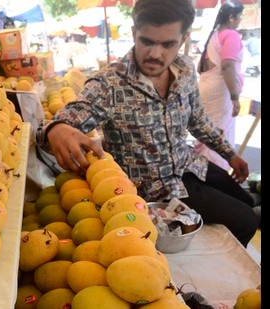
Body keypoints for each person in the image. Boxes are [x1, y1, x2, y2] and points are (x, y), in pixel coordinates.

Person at [35, 0, 258, 247]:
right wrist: (57, 129)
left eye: (167, 44)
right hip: (156, 191)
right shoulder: (110, 84)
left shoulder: (184, 69)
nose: (155, 54)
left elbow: (197, 119)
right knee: (246, 220)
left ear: (183, 39)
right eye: (147, 41)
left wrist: (229, 154)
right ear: (134, 33)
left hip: (189, 166)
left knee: (246, 200)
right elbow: (63, 120)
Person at [194, 1, 245, 171]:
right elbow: (227, 66)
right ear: (231, 17)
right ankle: (214, 175)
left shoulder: (215, 35)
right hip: (220, 92)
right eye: (239, 16)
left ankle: (202, 173)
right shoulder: (231, 35)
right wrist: (235, 98)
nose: (240, 20)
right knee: (217, 134)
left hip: (206, 87)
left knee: (207, 131)